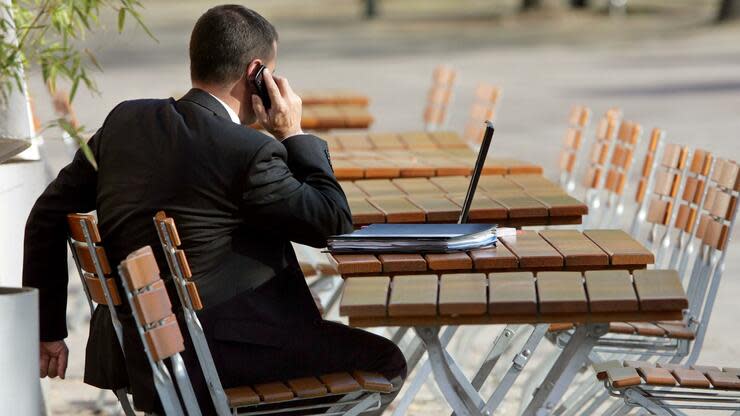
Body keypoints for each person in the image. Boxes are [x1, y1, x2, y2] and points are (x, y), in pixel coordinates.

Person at [23, 5, 406, 414]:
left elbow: (45, 214)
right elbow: (331, 223)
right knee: (386, 362)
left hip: (139, 357)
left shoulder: (124, 123)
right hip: (222, 361)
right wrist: (293, 133)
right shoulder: (248, 152)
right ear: (256, 73)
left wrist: (47, 330)